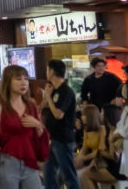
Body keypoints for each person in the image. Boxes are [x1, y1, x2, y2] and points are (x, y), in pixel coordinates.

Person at [0, 65, 50, 189]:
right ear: (8, 82)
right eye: (18, 79)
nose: (23, 83)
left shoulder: (31, 106)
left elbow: (40, 135)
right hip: (6, 162)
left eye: (26, 79)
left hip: (29, 162)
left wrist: (38, 125)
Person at [41, 59, 80, 189]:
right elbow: (45, 109)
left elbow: (59, 114)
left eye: (47, 70)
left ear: (51, 71)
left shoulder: (65, 91)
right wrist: (47, 97)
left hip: (63, 138)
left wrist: (48, 97)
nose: (46, 72)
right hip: (54, 137)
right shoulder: (55, 90)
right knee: (49, 172)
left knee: (68, 173)